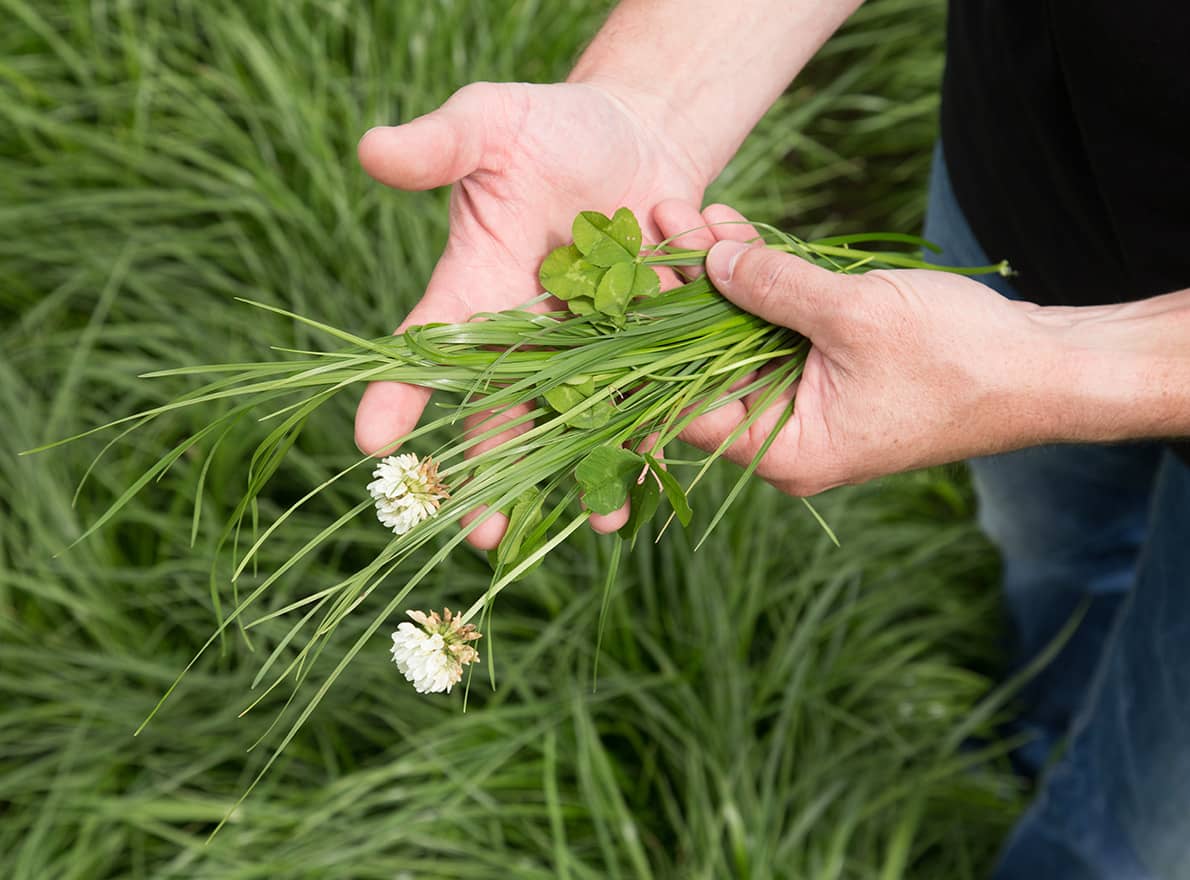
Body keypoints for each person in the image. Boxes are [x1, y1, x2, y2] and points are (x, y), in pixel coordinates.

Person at [352, 1, 1190, 876]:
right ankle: (1042, 716)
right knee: (1049, 538)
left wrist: (1057, 372)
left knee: (1135, 828)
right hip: (1029, 167)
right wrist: (650, 99)